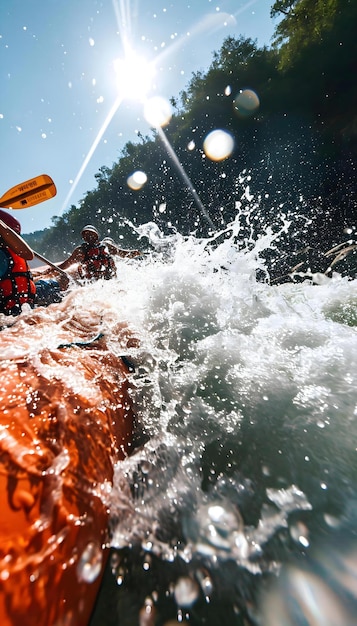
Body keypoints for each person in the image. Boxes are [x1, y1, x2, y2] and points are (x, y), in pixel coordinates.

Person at [0, 210, 68, 317]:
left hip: (28, 300)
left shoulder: (14, 252)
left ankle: (58, 283)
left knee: (58, 284)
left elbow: (28, 254)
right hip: (14, 309)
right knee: (59, 284)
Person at [58, 225, 141, 281]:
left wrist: (135, 253)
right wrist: (50, 271)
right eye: (86, 235)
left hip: (110, 280)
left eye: (91, 234)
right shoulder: (80, 251)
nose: (89, 236)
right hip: (93, 282)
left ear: (96, 236)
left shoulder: (106, 246)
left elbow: (123, 254)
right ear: (84, 238)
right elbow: (65, 265)